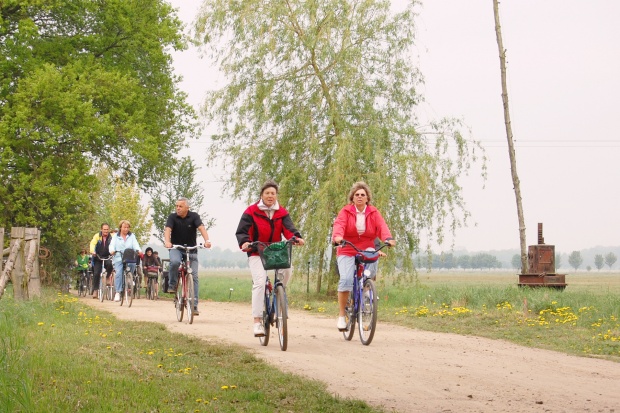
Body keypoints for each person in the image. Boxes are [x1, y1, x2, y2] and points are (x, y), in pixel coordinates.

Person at [236, 180, 305, 337]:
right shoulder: (251, 211)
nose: (270, 196)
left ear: (276, 195)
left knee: (287, 269)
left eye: (273, 193)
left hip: (275, 251)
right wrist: (245, 242)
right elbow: (242, 231)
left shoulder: (281, 212)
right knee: (260, 283)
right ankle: (257, 321)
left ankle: (280, 292)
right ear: (262, 195)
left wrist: (296, 238)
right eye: (267, 193)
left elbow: (289, 229)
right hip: (256, 251)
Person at [332, 181, 395, 330]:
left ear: (367, 198)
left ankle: (366, 289)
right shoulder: (346, 211)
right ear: (352, 198)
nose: (360, 197)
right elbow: (339, 225)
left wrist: (388, 239)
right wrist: (338, 237)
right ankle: (342, 315)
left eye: (363, 195)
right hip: (347, 247)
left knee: (371, 264)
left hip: (366, 246)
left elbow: (381, 227)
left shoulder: (373, 212)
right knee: (346, 279)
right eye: (357, 195)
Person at [164, 197, 212, 316]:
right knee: (174, 262)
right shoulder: (172, 217)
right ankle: (172, 284)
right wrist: (167, 241)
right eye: (177, 206)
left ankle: (194, 305)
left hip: (191, 249)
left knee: (194, 275)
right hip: (176, 248)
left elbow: (201, 228)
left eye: (180, 206)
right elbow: (167, 230)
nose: (178, 208)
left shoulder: (194, 216)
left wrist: (207, 241)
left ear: (187, 207)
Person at [109, 220, 141, 302]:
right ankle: (118, 292)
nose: (126, 229)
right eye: (124, 227)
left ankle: (129, 277)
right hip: (118, 257)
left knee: (133, 264)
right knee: (119, 273)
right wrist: (112, 250)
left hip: (128, 256)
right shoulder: (116, 236)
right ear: (120, 227)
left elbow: (135, 244)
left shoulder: (132, 236)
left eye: (127, 227)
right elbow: (112, 245)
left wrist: (138, 250)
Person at [89, 223, 114, 299]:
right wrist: (92, 251)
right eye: (104, 229)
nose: (106, 231)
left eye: (107, 229)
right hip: (98, 257)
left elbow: (115, 244)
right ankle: (96, 290)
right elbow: (92, 243)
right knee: (96, 273)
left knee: (110, 265)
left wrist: (114, 251)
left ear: (109, 230)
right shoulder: (97, 236)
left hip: (108, 256)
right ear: (101, 229)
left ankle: (107, 277)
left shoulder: (112, 237)